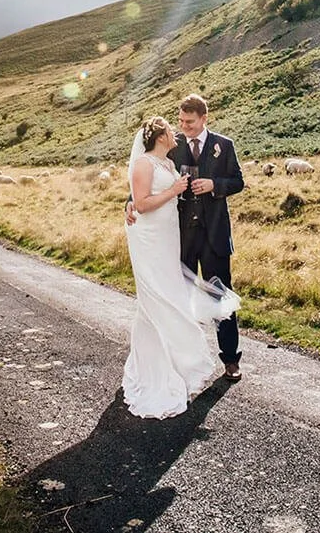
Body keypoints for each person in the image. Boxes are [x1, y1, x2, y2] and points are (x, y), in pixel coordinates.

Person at [123, 115, 238, 419]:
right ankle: (166, 365)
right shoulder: (169, 152)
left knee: (215, 293)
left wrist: (214, 184)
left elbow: (237, 181)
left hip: (207, 236)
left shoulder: (223, 145)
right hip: (174, 239)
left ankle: (230, 360)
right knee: (169, 297)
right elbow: (141, 187)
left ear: (204, 118)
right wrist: (130, 202)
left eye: (188, 121)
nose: (182, 128)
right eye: (178, 123)